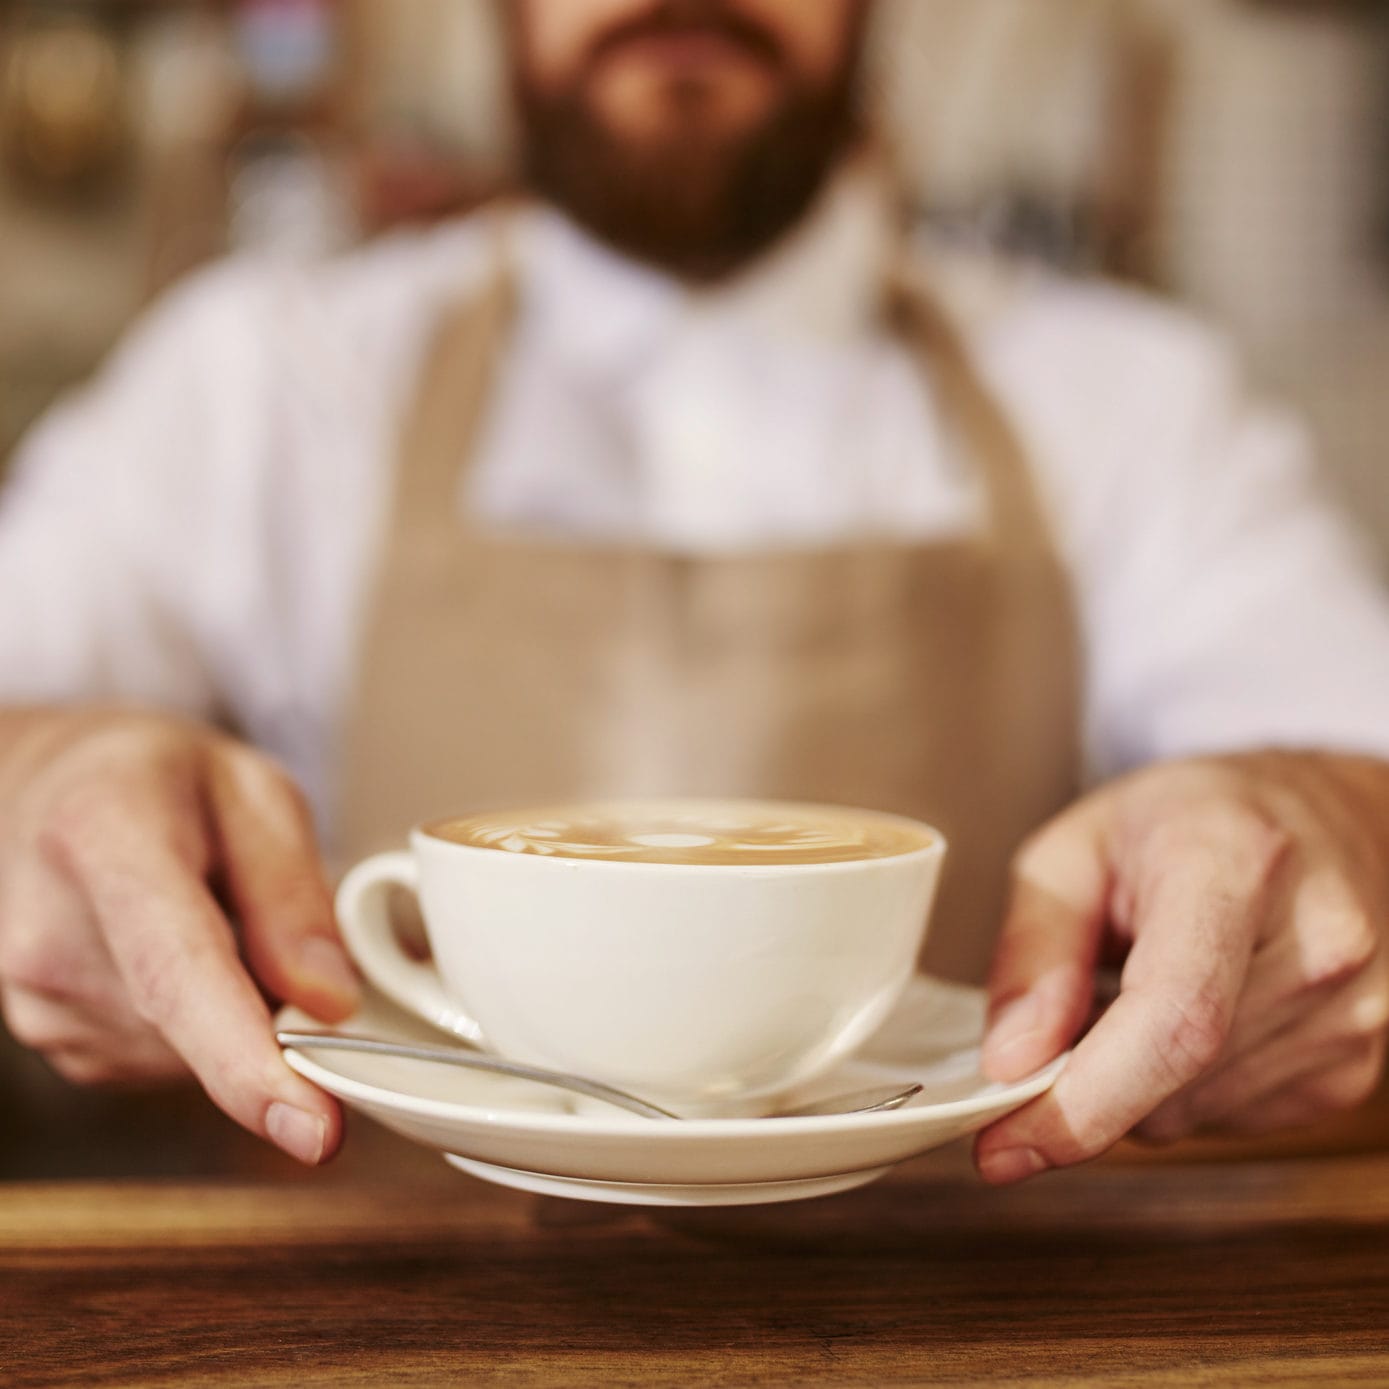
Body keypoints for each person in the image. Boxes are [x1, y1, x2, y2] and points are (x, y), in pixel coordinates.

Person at [0, 0, 1386, 1185]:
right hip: (380, 1303)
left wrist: (1319, 824)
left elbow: (1348, 755)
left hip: (978, 1308)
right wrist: (43, 776)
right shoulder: (263, 376)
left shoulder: (1131, 398)